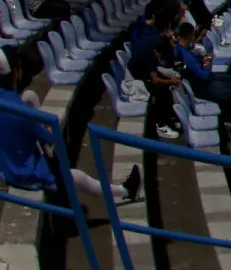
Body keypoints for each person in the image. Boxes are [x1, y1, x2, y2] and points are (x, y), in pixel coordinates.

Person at [1, 46, 141, 204]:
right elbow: (50, 136)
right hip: (24, 175)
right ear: (15, 72)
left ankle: (48, 151)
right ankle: (125, 190)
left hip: (6, 166)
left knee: (29, 96)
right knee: (77, 177)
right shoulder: (22, 111)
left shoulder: (11, 103)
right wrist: (45, 131)